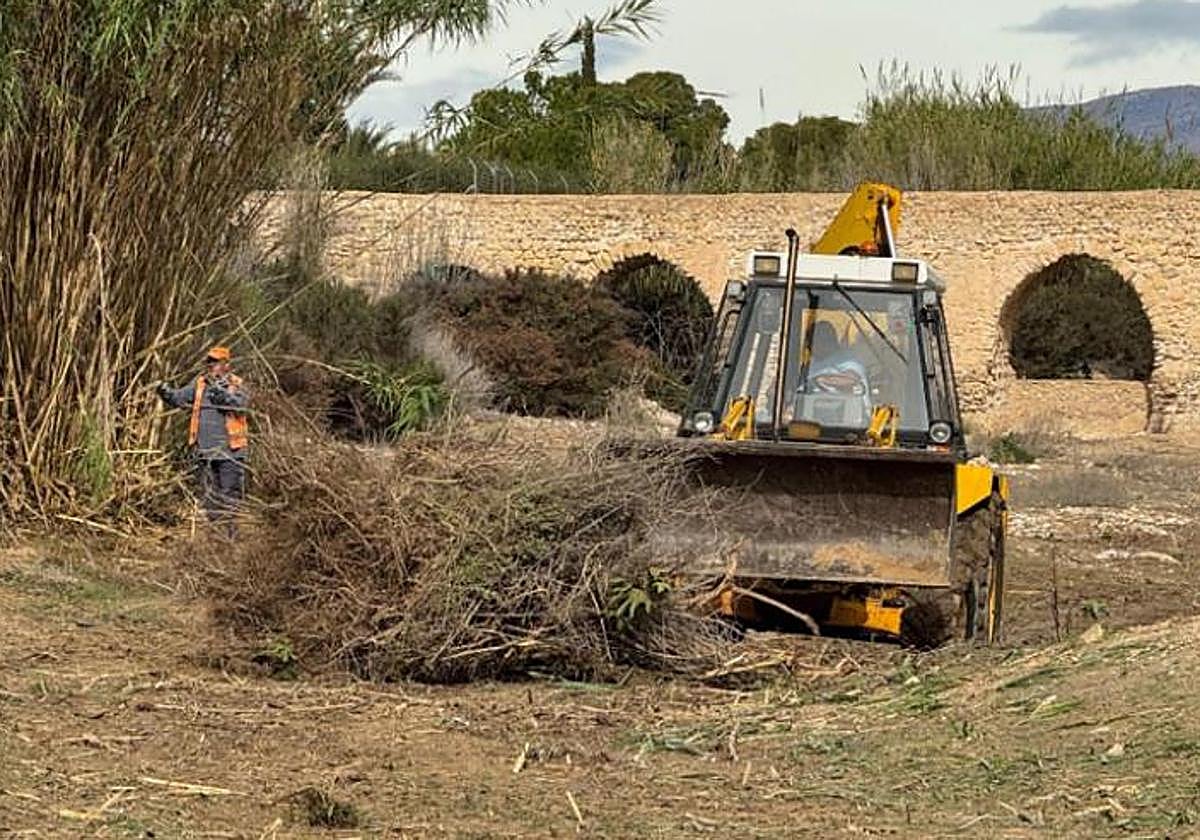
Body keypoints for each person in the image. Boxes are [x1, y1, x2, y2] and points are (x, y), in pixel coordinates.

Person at [157, 346, 250, 530]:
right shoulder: (199, 384)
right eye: (209, 362)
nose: (210, 365)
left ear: (226, 365)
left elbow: (241, 405)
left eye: (215, 362)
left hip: (231, 453)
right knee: (209, 500)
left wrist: (221, 394)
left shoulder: (237, 384)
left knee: (229, 499)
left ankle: (230, 540)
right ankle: (216, 539)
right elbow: (178, 398)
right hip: (205, 453)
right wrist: (165, 392)